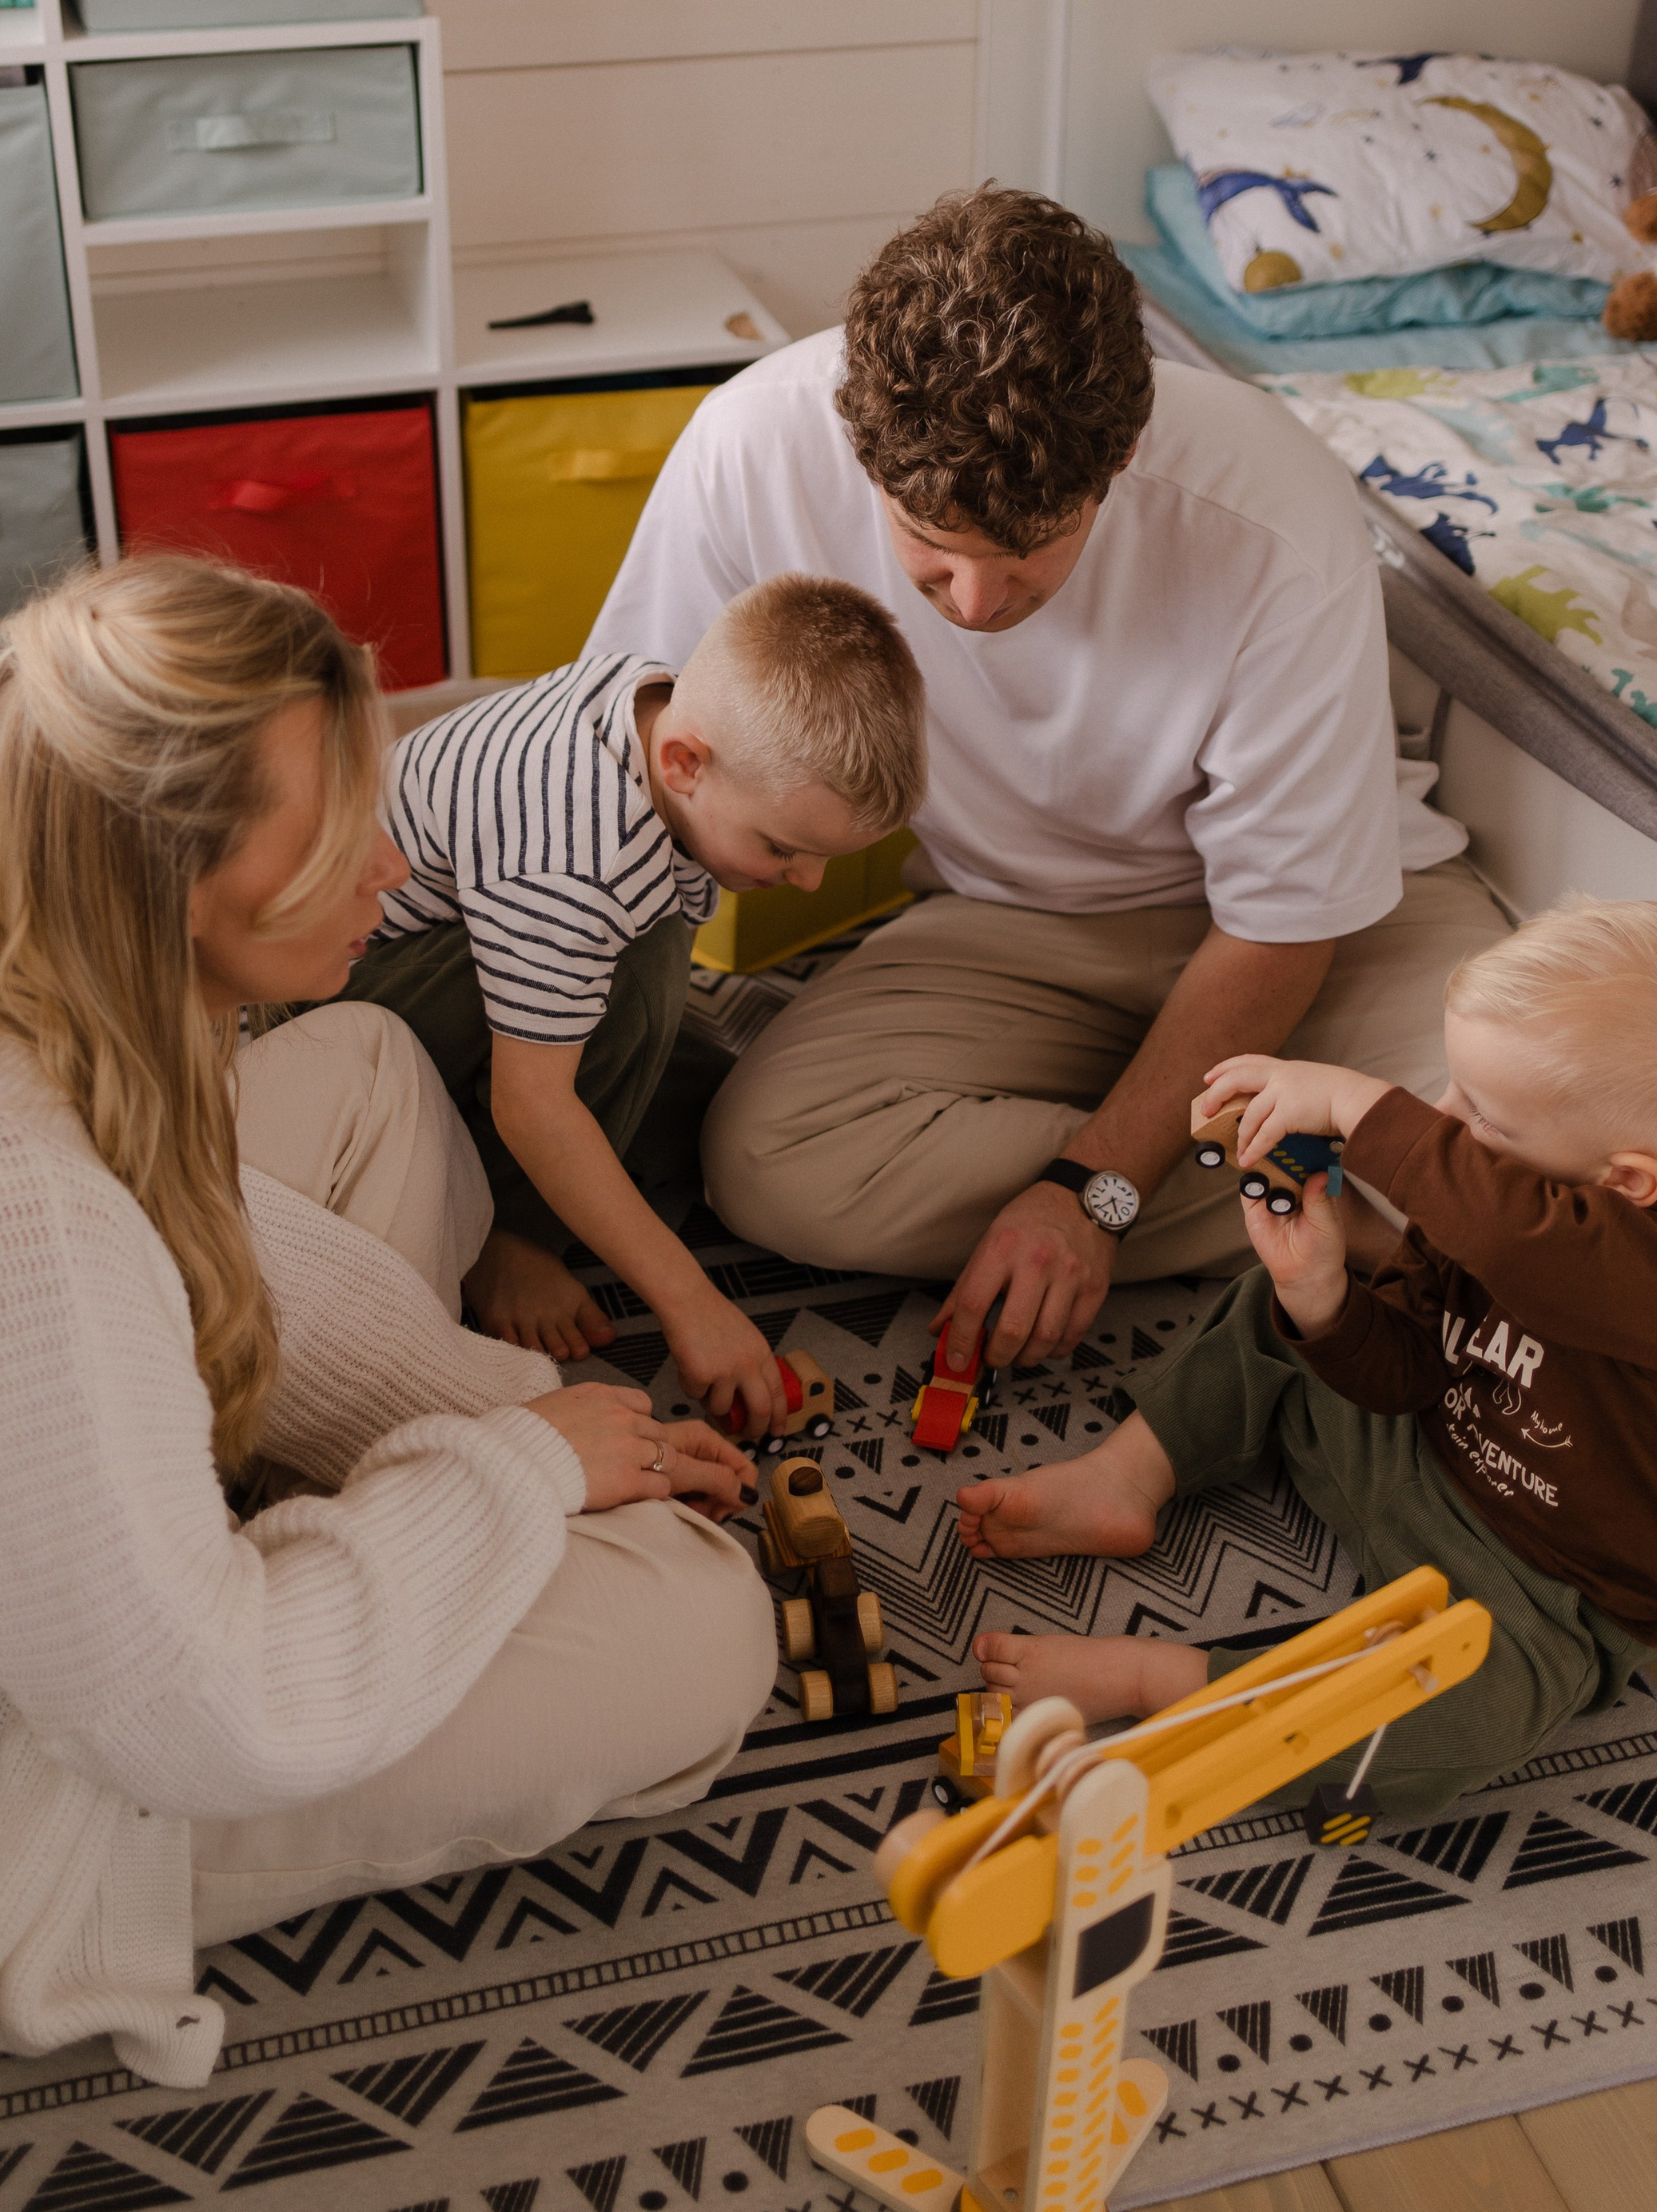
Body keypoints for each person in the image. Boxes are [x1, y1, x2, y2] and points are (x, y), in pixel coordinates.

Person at [0, 557, 775, 2090]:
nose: (387, 863)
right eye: (336, 831)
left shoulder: (9, 978)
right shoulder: (30, 1228)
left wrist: (496, 1406)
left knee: (364, 1060)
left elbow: (230, 1227)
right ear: (168, 877)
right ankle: (353, 1552)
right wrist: (517, 1477)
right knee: (705, 1621)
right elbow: (207, 1710)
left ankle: (356, 1528)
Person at [589, 184, 1504, 1370]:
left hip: (1314, 942)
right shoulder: (749, 445)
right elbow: (624, 767)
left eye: (1025, 555)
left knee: (1543, 1167)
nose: (975, 607)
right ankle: (1333, 1199)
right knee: (764, 1163)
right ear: (857, 442)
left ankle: (1329, 1195)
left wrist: (1095, 1192)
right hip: (1017, 933)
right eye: (931, 551)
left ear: (1120, 457)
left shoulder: (1272, 514)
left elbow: (1283, 924)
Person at [961, 901, 1657, 1816]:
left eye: (1486, 1118)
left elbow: (1517, 1238)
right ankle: (1125, 1474)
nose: (1441, 1120)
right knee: (1269, 1310)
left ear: (1624, 1181)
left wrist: (1354, 1102)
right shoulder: (1477, 1197)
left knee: (1456, 1728)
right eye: (1450, 1090)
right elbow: (1408, 1371)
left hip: (1541, 1601)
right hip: (1416, 1458)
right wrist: (1321, 1297)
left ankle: (1168, 1681)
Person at [345, 575, 926, 1437]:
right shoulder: (578, 865)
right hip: (344, 998)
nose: (805, 880)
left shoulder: (652, 699)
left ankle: (555, 1136)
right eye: (783, 848)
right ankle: (499, 1234)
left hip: (482, 936)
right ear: (684, 764)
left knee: (707, 1104)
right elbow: (531, 1105)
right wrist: (689, 1300)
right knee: (634, 972)